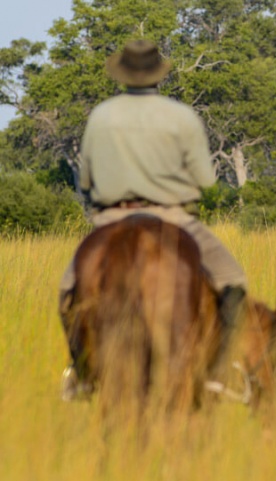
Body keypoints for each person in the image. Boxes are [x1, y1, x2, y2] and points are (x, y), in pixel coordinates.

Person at [59, 40, 247, 398]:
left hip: (111, 217)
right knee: (232, 280)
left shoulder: (101, 115)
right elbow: (206, 180)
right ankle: (219, 373)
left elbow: (85, 181)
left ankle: (82, 373)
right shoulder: (181, 116)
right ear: (158, 75)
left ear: (124, 75)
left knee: (67, 291)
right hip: (172, 216)